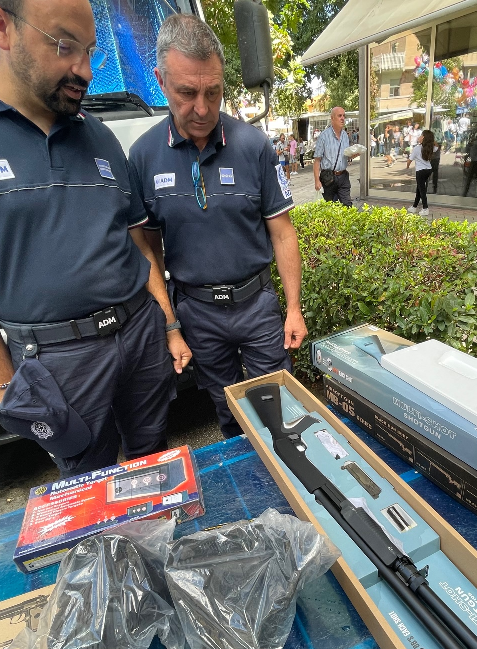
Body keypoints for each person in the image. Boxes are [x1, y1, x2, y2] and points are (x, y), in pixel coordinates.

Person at [0, 0, 192, 477]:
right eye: (64, 46)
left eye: (90, 51)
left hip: (139, 331)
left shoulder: (99, 136)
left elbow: (139, 245)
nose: (84, 71)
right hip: (57, 358)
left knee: (153, 457)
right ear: (1, 26)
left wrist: (166, 323)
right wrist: (6, 383)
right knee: (86, 479)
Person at [128, 14, 307, 438]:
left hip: (257, 306)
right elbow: (146, 249)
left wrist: (293, 308)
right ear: (161, 81)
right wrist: (171, 325)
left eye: (213, 91)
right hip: (197, 313)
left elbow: (282, 232)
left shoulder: (254, 145)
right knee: (227, 412)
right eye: (187, 93)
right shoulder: (143, 157)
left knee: (278, 409)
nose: (203, 108)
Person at [313, 106, 352, 206]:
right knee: (331, 207)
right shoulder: (324, 136)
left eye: (344, 116)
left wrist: (353, 155)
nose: (342, 118)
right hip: (328, 178)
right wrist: (317, 181)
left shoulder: (345, 136)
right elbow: (317, 160)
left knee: (347, 205)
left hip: (343, 176)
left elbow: (346, 156)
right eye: (339, 116)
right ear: (332, 118)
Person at [406, 129, 437, 215]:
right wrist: (430, 140)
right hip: (428, 170)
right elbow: (436, 146)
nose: (419, 137)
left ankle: (425, 208)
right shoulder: (431, 148)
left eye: (420, 136)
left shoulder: (417, 148)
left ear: (423, 137)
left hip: (420, 171)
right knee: (419, 188)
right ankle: (414, 207)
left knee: (422, 190)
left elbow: (410, 160)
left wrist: (407, 166)